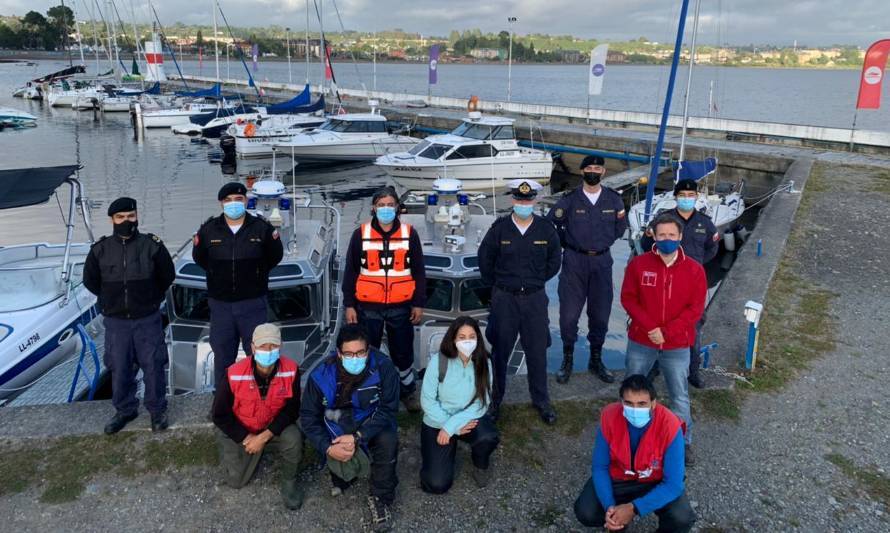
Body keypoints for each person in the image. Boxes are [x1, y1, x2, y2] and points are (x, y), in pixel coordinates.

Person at [83, 197, 175, 435]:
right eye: (120, 217)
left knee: (153, 365)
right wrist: (112, 300)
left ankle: (157, 411)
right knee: (119, 366)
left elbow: (167, 276)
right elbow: (91, 282)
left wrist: (150, 298)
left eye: (130, 216)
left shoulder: (152, 246)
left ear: (137, 216)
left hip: (147, 318)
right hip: (116, 321)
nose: (126, 221)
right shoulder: (100, 250)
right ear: (112, 220)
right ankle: (125, 410)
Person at [621, 213, 706, 464]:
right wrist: (650, 327)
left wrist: (666, 332)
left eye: (671, 235)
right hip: (641, 340)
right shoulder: (638, 265)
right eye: (662, 235)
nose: (666, 239)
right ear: (654, 237)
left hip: (676, 343)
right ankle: (629, 436)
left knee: (679, 394)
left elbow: (695, 309)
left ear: (680, 237)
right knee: (632, 388)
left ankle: (683, 441)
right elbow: (629, 299)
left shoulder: (695, 270)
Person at [301, 324, 400, 531]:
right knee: (343, 472)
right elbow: (309, 418)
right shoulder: (320, 376)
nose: (355, 358)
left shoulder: (384, 367)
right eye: (348, 353)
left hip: (371, 421)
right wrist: (328, 447)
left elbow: (389, 408)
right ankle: (343, 471)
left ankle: (381, 498)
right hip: (338, 426)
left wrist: (358, 436)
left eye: (360, 352)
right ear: (338, 353)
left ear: (369, 350)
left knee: (388, 440)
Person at [478, 179, 561, 425]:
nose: (524, 204)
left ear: (534, 201)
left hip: (535, 299)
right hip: (505, 299)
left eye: (528, 200)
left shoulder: (546, 229)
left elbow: (554, 262)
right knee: (500, 351)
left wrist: (534, 281)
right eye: (519, 200)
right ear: (513, 201)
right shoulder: (499, 229)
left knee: (537, 352)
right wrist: (502, 286)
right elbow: (485, 261)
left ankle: (541, 400)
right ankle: (495, 400)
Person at [573, 374, 695, 532]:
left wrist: (633, 508)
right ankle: (617, 526)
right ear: (621, 402)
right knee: (585, 512)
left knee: (682, 519)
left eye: (642, 403)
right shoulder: (609, 417)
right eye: (629, 403)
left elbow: (673, 484)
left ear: (653, 404)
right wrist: (611, 510)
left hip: (654, 480)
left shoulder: (670, 426)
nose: (635, 409)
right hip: (619, 478)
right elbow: (600, 467)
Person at [342, 186, 427, 412]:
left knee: (403, 352)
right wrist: (349, 304)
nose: (386, 209)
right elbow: (350, 271)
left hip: (401, 306)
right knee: (367, 351)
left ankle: (407, 393)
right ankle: (370, 393)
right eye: (381, 205)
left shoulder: (410, 234)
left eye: (390, 205)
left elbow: (419, 271)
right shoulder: (361, 234)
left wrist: (418, 302)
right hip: (367, 306)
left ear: (398, 208)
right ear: (373, 208)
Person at [192, 181, 284, 386]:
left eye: (238, 199)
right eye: (228, 200)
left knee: (260, 354)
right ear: (221, 203)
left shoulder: (262, 229)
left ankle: (261, 399)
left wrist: (254, 274)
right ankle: (223, 404)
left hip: (253, 303)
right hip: (221, 305)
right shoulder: (208, 230)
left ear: (246, 200)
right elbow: (200, 258)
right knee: (223, 356)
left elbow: (274, 256)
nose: (233, 203)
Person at [547, 155, 628, 385]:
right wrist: (571, 245)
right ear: (582, 172)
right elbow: (554, 224)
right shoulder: (570, 199)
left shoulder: (614, 200)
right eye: (589, 168)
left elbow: (619, 229)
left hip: (602, 263)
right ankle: (568, 359)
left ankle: (596, 359)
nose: (593, 171)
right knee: (568, 316)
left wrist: (600, 245)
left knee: (601, 315)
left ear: (603, 172)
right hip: (574, 261)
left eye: (598, 168)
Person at [212, 323, 304, 510]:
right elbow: (219, 414)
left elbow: (292, 409)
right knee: (235, 481)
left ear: (281, 346)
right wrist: (247, 438)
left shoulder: (292, 370)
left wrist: (263, 438)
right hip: (243, 428)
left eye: (273, 346)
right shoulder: (234, 373)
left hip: (272, 427)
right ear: (253, 347)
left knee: (294, 438)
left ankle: (289, 481)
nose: (268, 351)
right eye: (263, 346)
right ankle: (250, 450)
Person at [639, 179, 719, 388]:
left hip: (692, 282)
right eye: (682, 195)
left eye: (690, 195)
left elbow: (712, 248)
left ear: (696, 197)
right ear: (675, 197)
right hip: (664, 280)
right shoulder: (664, 220)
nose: (686, 198)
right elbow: (646, 244)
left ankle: (693, 370)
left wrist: (696, 266)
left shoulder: (705, 222)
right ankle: (654, 368)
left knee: (693, 327)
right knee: (660, 323)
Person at [420, 316, 500, 494]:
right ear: (453, 339)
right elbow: (427, 401)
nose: (468, 341)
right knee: (436, 484)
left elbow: (483, 401)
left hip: (467, 420)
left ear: (478, 338)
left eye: (472, 336)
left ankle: (480, 464)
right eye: (462, 337)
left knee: (488, 436)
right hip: (437, 423)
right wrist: (448, 427)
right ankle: (445, 452)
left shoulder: (484, 362)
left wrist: (452, 426)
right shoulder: (438, 362)